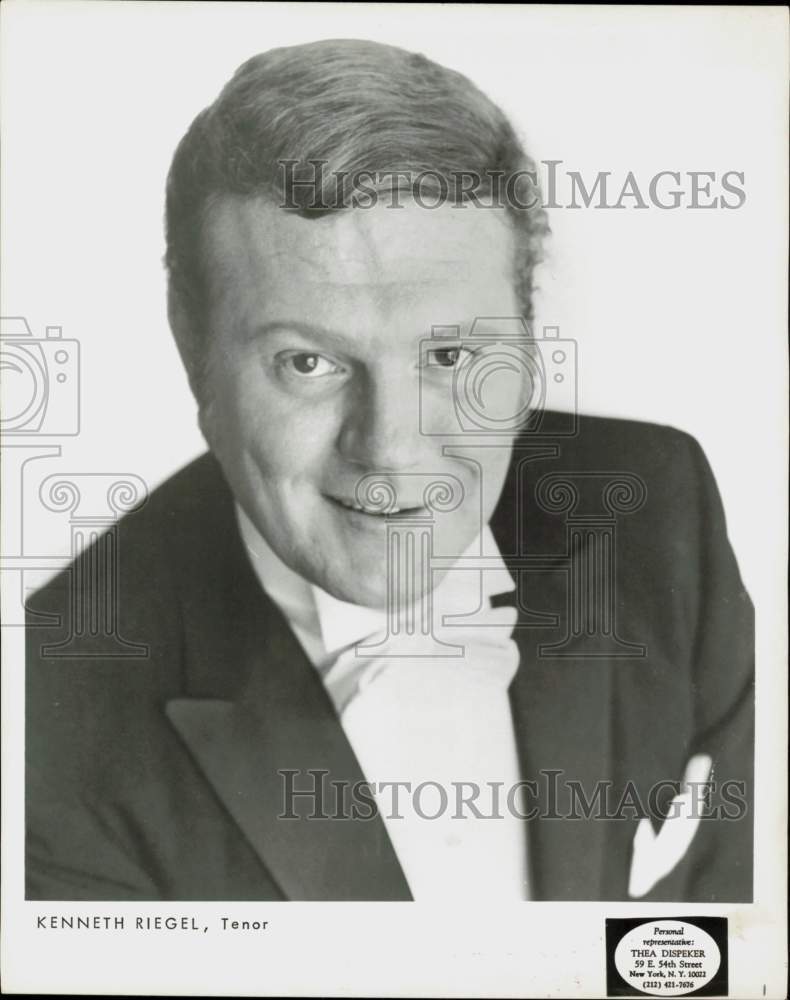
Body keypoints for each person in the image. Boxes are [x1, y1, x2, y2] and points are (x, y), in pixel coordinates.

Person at [25, 39, 753, 902]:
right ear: (193, 351)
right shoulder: (45, 722)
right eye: (307, 363)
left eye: (448, 353)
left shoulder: (657, 505)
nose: (392, 449)